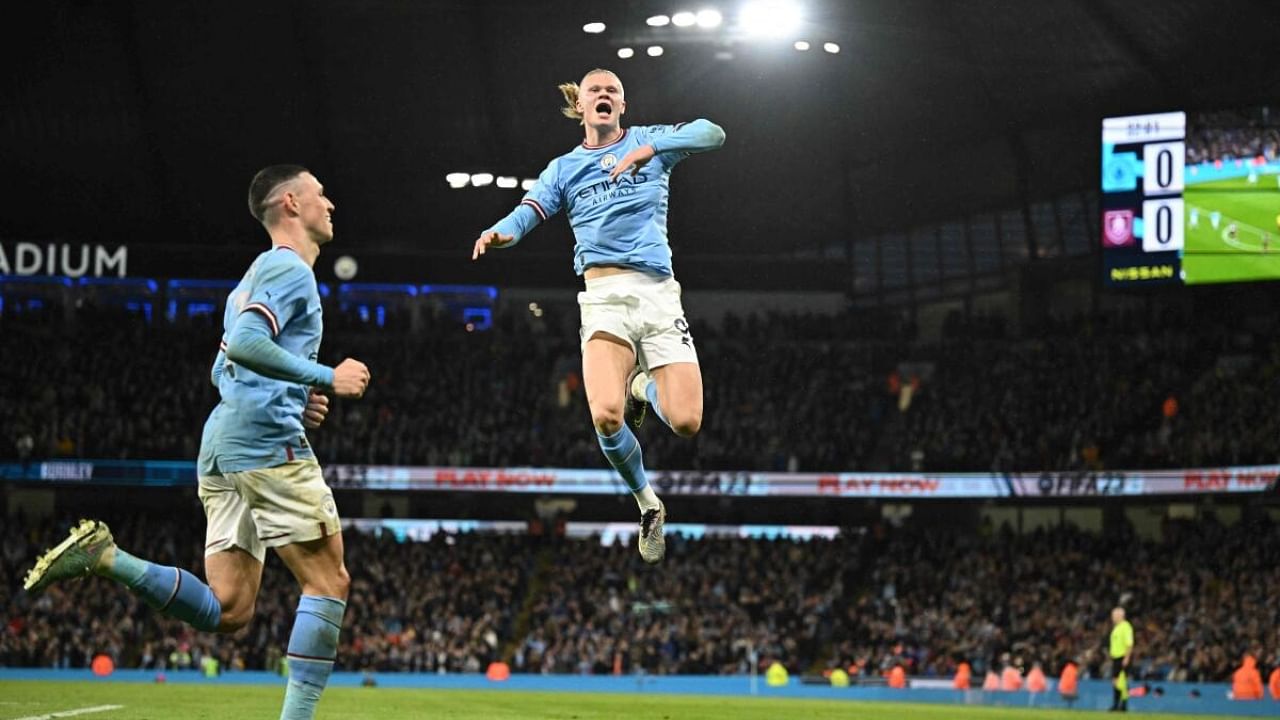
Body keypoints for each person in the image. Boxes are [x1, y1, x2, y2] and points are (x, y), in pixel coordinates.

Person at [23, 165, 371, 720]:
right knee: (328, 580)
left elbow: (222, 367)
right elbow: (245, 347)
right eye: (320, 195)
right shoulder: (290, 271)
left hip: (223, 440)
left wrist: (293, 389)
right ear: (289, 203)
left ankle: (108, 557)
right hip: (263, 444)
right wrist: (326, 377)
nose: (330, 204)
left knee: (230, 610)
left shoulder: (253, 278)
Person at [471, 68, 725, 562]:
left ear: (622, 107)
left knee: (687, 421)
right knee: (605, 416)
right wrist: (500, 233)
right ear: (582, 107)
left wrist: (649, 150)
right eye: (596, 92)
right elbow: (527, 212)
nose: (604, 96)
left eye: (613, 91)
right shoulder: (564, 169)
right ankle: (649, 505)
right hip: (604, 296)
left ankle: (641, 387)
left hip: (657, 295)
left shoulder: (652, 141)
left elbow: (714, 133)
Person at [1109, 606, 1135, 712]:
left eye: (1114, 615)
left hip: (1122, 657)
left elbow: (1129, 644)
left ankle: (1122, 705)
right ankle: (1117, 705)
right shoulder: (1117, 627)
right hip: (1116, 657)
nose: (1112, 617)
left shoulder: (1126, 626)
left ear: (1120, 615)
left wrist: (1127, 657)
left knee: (1122, 682)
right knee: (1116, 682)